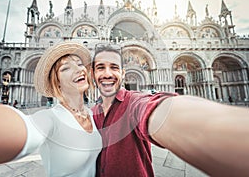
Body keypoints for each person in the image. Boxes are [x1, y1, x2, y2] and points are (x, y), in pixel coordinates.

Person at [91, 43, 249, 177]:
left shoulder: (134, 103)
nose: (107, 74)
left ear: (123, 73)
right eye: (100, 67)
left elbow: (157, 110)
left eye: (114, 67)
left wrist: (222, 130)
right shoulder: (91, 114)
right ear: (92, 74)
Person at [0, 42, 102, 177]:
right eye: (66, 68)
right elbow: (24, 130)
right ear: (57, 82)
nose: (78, 69)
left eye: (79, 63)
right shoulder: (49, 118)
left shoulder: (92, 113)